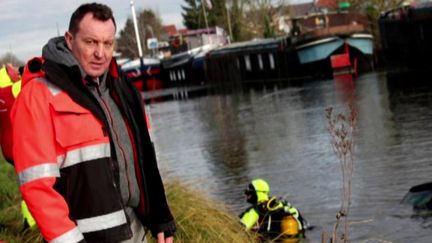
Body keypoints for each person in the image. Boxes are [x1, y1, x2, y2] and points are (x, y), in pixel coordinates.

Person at [11, 3, 175, 243]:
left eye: (108, 43)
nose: (101, 53)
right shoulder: (38, 95)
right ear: (69, 39)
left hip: (136, 232)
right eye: (91, 42)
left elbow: (146, 157)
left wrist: (161, 216)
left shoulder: (123, 87)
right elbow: (37, 187)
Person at [0, 64, 37, 230]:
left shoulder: (1, 93)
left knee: (25, 183)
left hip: (7, 150)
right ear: (7, 76)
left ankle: (29, 221)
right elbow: (34, 74)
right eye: (12, 70)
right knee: (34, 183)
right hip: (21, 147)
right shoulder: (14, 89)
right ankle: (32, 222)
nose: (16, 70)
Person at [239, 178, 306, 241]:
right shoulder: (282, 205)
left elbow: (239, 229)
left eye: (249, 193)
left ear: (256, 193)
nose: (246, 195)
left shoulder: (254, 211)